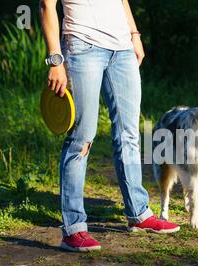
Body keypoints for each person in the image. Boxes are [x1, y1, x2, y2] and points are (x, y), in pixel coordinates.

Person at [39, 0, 180, 252]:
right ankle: (74, 228)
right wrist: (55, 60)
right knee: (82, 138)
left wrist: (134, 35)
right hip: (83, 46)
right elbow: (46, 6)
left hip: (122, 48)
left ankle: (138, 213)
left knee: (129, 134)